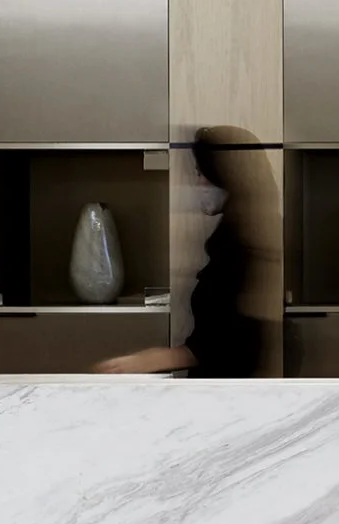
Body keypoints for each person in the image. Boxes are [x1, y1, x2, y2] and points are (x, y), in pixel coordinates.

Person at [94, 130, 265, 376]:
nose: (197, 184)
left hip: (227, 392)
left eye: (199, 174)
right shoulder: (231, 238)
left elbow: (230, 339)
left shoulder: (239, 246)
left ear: (222, 175)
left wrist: (153, 360)